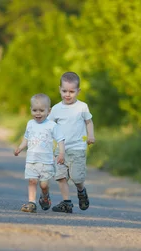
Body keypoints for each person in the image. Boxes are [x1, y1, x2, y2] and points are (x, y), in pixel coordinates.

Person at [48, 71, 95, 213]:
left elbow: (89, 122)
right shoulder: (56, 108)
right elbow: (49, 126)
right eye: (64, 91)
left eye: (71, 91)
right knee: (61, 177)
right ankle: (67, 202)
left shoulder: (82, 107)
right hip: (61, 150)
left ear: (78, 91)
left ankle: (81, 191)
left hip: (77, 148)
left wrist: (91, 135)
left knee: (77, 178)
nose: (67, 94)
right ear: (59, 89)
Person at [14, 93, 65, 213]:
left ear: (49, 111)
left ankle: (45, 195)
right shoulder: (30, 124)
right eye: (35, 110)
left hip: (46, 162)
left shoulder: (52, 125)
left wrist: (61, 153)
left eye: (42, 110)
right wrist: (20, 148)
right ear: (30, 110)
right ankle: (32, 203)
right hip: (31, 160)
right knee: (32, 181)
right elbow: (26, 138)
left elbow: (60, 140)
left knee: (43, 185)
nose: (38, 113)